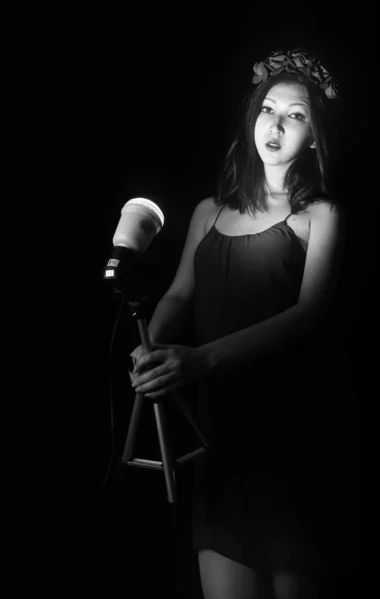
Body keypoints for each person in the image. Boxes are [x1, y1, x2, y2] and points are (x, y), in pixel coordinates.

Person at [129, 48, 356, 598]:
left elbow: (311, 313)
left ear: (315, 134)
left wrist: (200, 359)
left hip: (290, 441)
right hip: (218, 440)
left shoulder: (320, 215)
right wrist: (149, 347)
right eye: (268, 108)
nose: (276, 123)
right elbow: (179, 293)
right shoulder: (209, 210)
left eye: (296, 114)